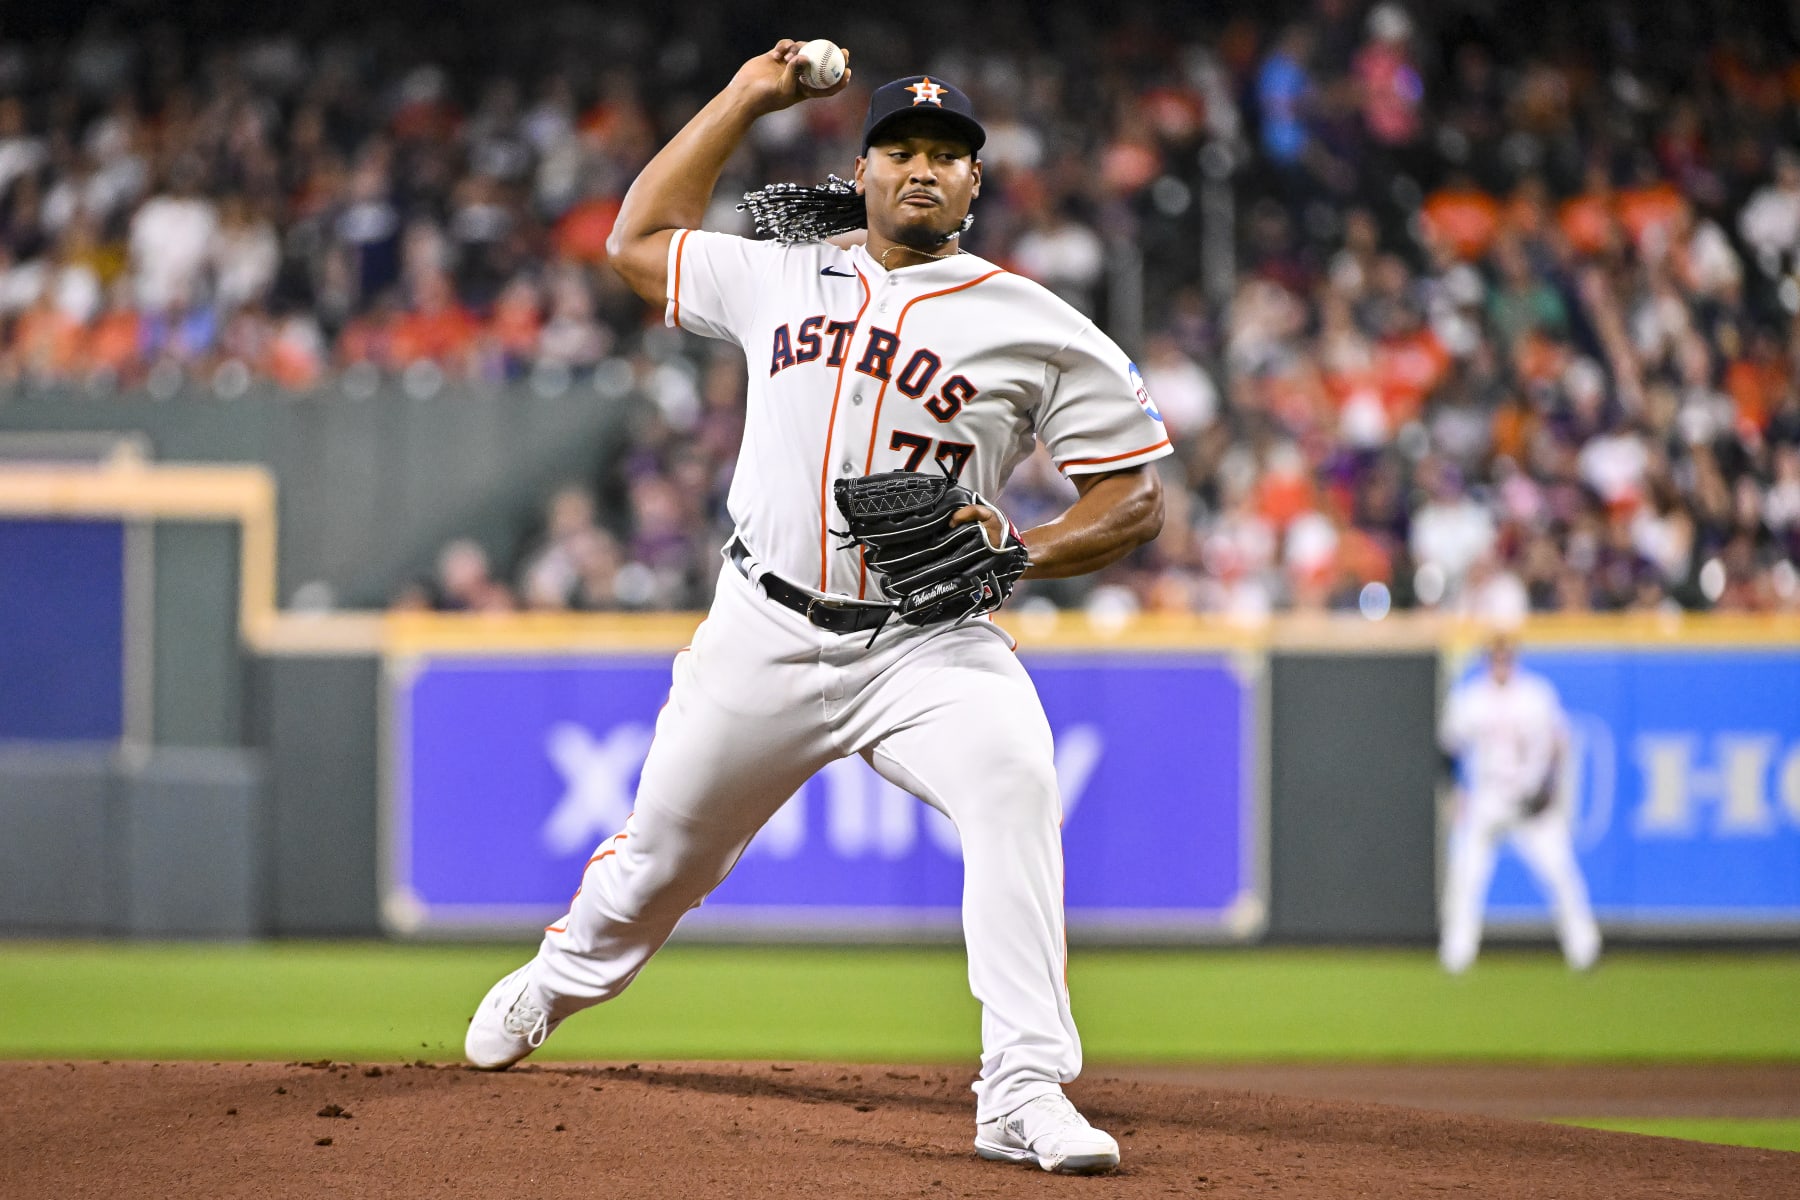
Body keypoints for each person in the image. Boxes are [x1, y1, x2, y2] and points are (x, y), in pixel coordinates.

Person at [463, 40, 1171, 1176]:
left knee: (1016, 781)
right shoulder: (782, 270)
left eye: (949, 155)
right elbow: (633, 242)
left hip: (926, 642)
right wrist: (747, 95)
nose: (925, 170)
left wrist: (1022, 552)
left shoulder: (1032, 320)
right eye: (902, 150)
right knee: (660, 863)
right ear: (865, 167)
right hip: (765, 629)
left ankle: (1024, 1088)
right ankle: (555, 981)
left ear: (978, 184)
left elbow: (1134, 500)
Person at [1437, 633, 1601, 974]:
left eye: (1505, 656)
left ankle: (1584, 950)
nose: (1500, 663)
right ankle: (1457, 954)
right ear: (1486, 659)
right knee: (1466, 876)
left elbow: (1560, 744)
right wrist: (1455, 791)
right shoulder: (1470, 698)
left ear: (1514, 658)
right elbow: (1449, 748)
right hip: (1488, 797)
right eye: (1495, 656)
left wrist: (1552, 788)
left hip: (1531, 799)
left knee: (1560, 872)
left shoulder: (1536, 694)